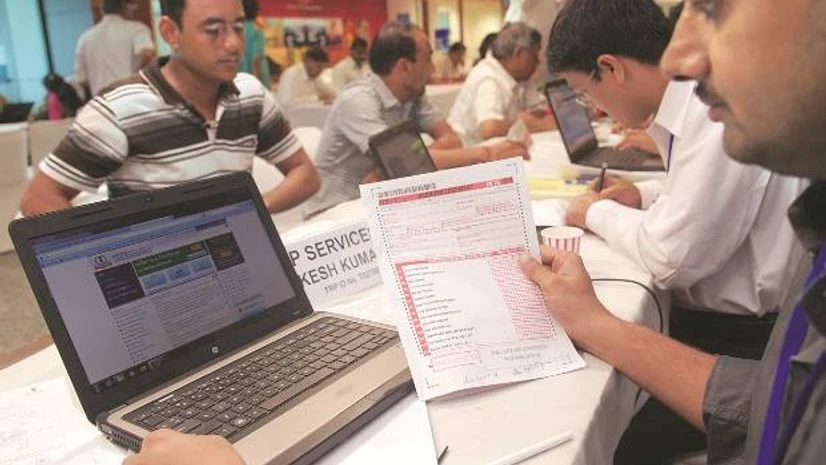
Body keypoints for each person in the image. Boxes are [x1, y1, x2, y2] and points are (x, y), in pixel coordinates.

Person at [121, 0, 826, 461]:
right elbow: (774, 403)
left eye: (716, 7)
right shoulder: (360, 100)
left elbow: (773, 409)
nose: (680, 58)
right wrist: (594, 318)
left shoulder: (272, 99)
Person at [548, 1, 807, 463]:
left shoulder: (714, 109)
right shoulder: (697, 106)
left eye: (712, 14)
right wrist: (645, 196)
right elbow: (710, 201)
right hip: (742, 340)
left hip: (741, 341)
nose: (679, 58)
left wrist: (593, 213)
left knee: (601, 431)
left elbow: (672, 257)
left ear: (611, 67)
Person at [20, 0, 319, 217]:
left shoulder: (250, 94)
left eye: (238, 29)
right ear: (170, 32)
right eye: (214, 30)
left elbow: (305, 173)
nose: (232, 44)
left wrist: (247, 212)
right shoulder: (119, 109)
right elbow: (39, 198)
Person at [302, 21, 528, 218]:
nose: (432, 69)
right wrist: (486, 153)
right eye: (428, 59)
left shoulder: (413, 95)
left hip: (380, 206)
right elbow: (404, 160)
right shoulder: (357, 100)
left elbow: (450, 140)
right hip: (333, 215)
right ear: (404, 66)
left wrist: (393, 166)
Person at [447, 22, 556, 145]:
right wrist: (532, 124)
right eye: (534, 55)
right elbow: (490, 128)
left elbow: (539, 110)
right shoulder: (487, 77)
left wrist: (527, 122)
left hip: (498, 147)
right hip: (469, 150)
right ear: (519, 53)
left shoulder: (521, 76)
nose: (538, 61)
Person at [75, 0, 156, 96]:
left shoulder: (84, 39)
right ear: (125, 6)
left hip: (102, 100)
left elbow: (82, 80)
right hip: (131, 94)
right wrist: (135, 78)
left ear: (102, 10)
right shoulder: (137, 29)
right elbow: (147, 55)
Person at [239, 0, 270, 86]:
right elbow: (256, 60)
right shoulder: (256, 31)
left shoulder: (237, 30)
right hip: (252, 81)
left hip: (238, 79)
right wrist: (255, 84)